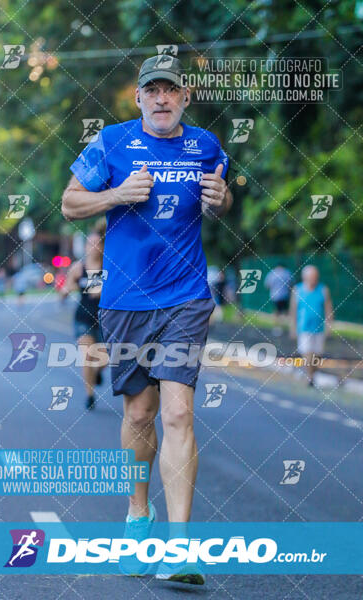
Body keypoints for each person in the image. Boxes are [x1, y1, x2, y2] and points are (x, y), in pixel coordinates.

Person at [62, 54, 232, 584]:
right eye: (151, 90)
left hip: (185, 297)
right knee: (140, 414)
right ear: (138, 98)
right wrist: (116, 194)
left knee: (178, 413)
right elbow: (69, 203)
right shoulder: (111, 143)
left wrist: (223, 199)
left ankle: (180, 549)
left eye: (171, 91)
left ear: (184, 98)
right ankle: (139, 517)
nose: (161, 99)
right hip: (126, 300)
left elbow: (220, 198)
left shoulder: (205, 145)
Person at [60, 221, 106, 410]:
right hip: (83, 317)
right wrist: (66, 290)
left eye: (97, 244)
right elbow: (66, 288)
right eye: (90, 244)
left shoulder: (108, 266)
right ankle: (89, 395)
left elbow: (105, 292)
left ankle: (97, 372)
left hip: (105, 319)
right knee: (87, 357)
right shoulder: (79, 268)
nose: (93, 247)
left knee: (103, 359)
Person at [289, 265, 333, 386]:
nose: (314, 279)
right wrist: (292, 328)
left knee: (317, 355)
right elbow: (293, 310)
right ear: (305, 277)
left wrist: (329, 325)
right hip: (303, 327)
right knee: (307, 352)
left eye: (315, 276)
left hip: (319, 327)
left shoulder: (323, 289)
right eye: (311, 276)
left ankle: (312, 373)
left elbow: (328, 308)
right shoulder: (297, 290)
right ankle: (310, 377)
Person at [264, 264, 292, 335]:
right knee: (284, 312)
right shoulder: (287, 273)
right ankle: (284, 327)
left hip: (275, 295)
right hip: (285, 295)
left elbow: (267, 285)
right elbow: (291, 284)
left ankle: (277, 327)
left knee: (276, 312)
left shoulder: (272, 273)